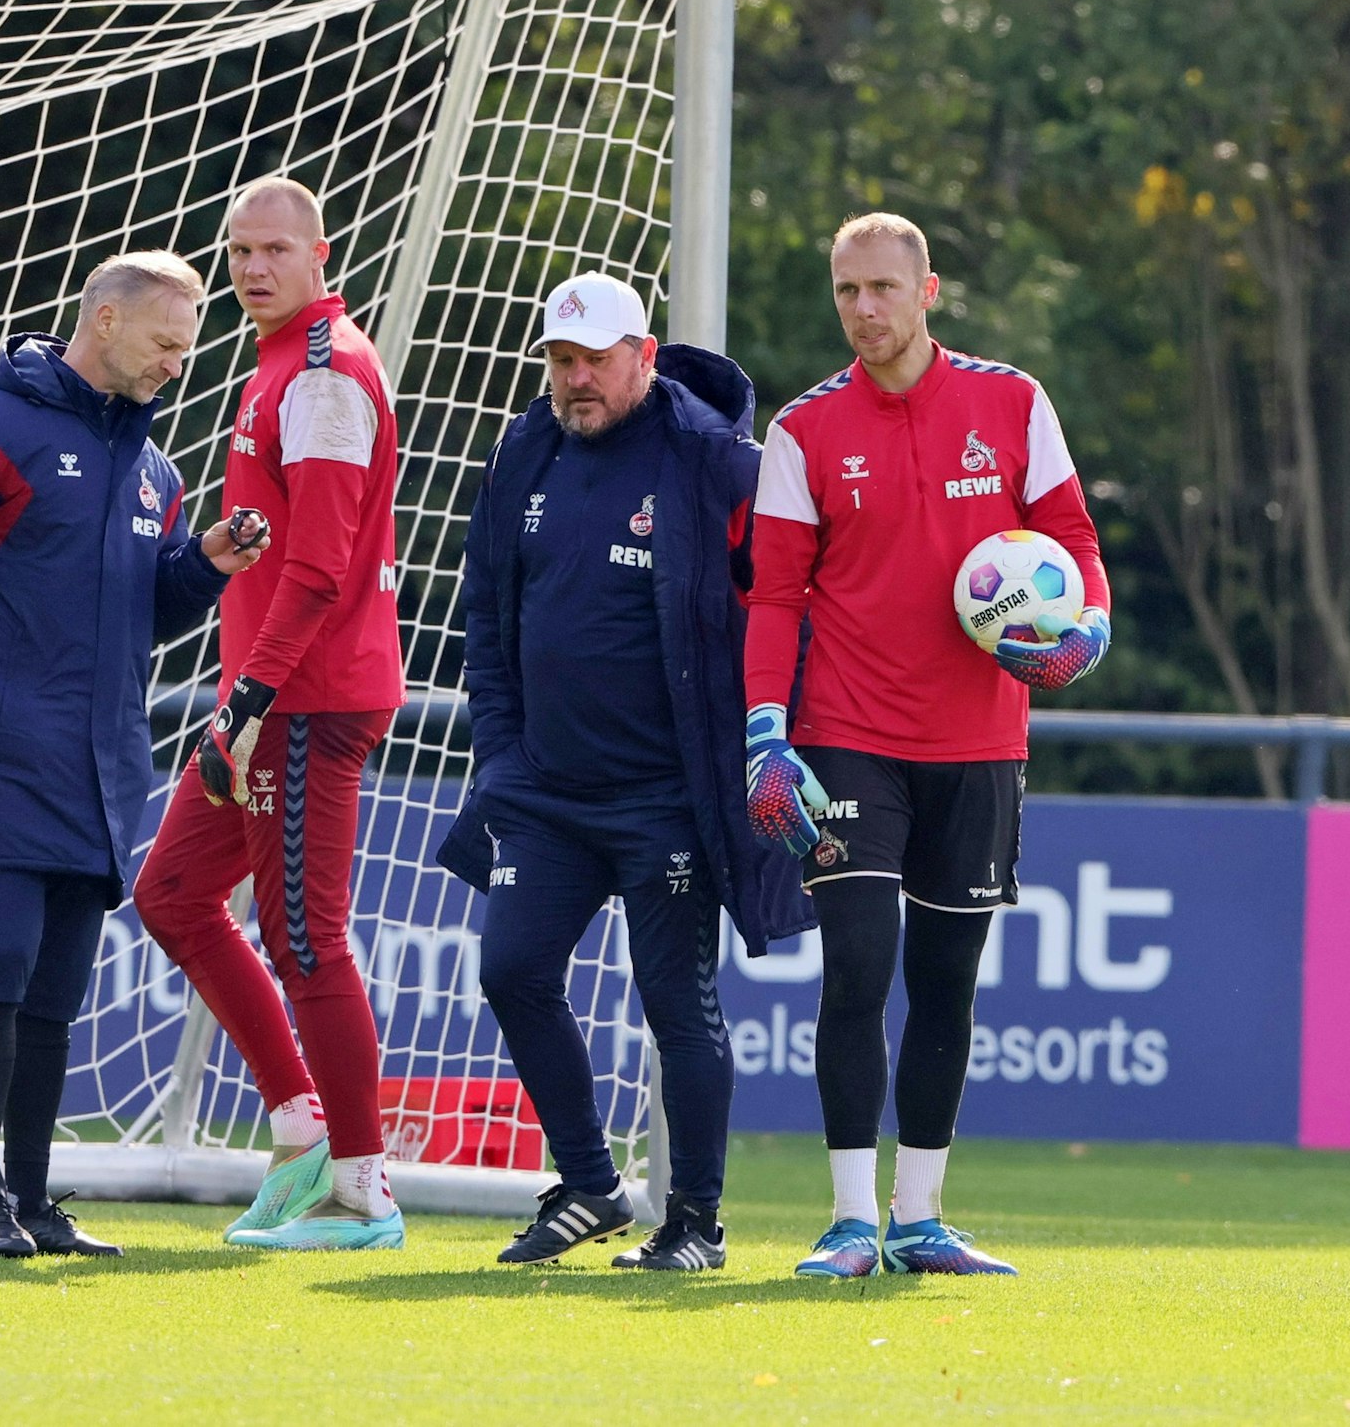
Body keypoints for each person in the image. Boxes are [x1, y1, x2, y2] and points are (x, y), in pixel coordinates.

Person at [741, 213, 1112, 1279]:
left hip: (980, 742)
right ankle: (848, 1221)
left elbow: (1075, 543)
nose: (863, 309)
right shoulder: (802, 430)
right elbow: (774, 598)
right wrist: (765, 732)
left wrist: (1087, 629)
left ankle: (918, 1217)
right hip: (846, 734)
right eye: (845, 291)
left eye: (882, 289)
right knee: (857, 967)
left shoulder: (1013, 402)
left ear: (927, 291)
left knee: (947, 980)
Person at [0, 251, 267, 1257]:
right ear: (104, 320)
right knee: (2, 961)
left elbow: (144, 611)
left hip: (99, 766)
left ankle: (36, 1203)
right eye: (165, 342)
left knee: (55, 992)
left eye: (186, 348)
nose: (177, 363)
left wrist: (203, 566)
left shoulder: (155, 471)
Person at [435, 272, 814, 1270]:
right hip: (545, 791)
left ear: (643, 356)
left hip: (667, 797)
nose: (575, 379)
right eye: (560, 361)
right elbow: (487, 613)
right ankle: (591, 1186)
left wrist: (772, 740)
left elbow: (789, 605)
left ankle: (694, 1222)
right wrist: (501, 754)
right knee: (511, 971)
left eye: (595, 360)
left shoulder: (717, 460)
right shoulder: (524, 449)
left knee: (675, 1007)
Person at [132, 177, 406, 1251]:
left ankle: (363, 1190)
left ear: (319, 255)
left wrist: (245, 701)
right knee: (172, 894)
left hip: (302, 700)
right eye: (239, 249)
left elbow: (323, 569)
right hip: (267, 696)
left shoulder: (326, 371)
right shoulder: (281, 361)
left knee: (305, 939)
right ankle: (300, 1133)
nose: (252, 267)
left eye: (275, 250)